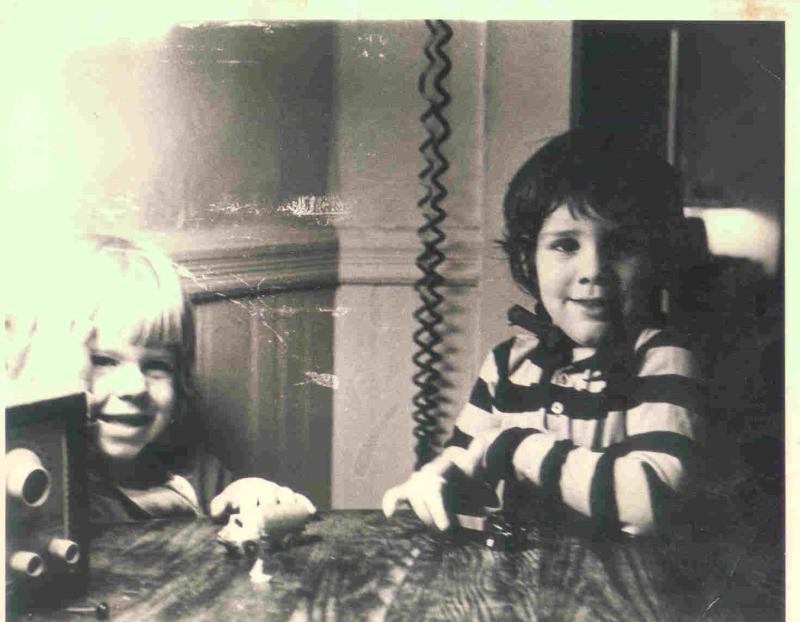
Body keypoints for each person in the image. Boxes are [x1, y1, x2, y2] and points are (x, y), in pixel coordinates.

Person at [383, 129, 704, 538]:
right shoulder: (508, 363)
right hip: (518, 574)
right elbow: (470, 460)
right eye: (566, 245)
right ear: (527, 259)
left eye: (621, 246)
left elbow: (654, 499)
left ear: (656, 259)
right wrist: (435, 480)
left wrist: (516, 447)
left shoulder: (661, 358)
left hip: (616, 577)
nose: (594, 270)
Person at [8, 234, 312, 525]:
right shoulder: (33, 484)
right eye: (101, 361)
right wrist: (57, 399)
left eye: (156, 365)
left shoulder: (191, 474)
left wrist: (251, 495)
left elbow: (242, 511)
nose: (135, 387)